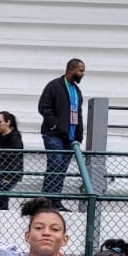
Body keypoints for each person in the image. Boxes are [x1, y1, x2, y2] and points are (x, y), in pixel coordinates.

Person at [37, 57, 85, 207]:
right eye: (81, 71)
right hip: (54, 134)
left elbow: (78, 113)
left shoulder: (77, 90)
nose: (83, 74)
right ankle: (46, 200)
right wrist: (56, 125)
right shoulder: (54, 86)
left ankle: (55, 200)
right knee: (55, 164)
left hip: (70, 138)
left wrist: (78, 134)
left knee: (62, 169)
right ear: (71, 70)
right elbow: (43, 107)